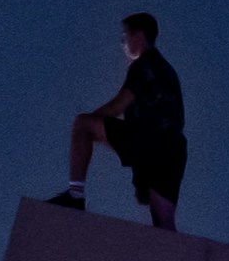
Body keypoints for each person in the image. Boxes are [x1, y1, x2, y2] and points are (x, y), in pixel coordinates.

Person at [55, 13, 185, 225]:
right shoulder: (168, 71)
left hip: (150, 139)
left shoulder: (144, 64)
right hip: (174, 150)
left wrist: (91, 123)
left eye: (125, 37)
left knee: (82, 124)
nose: (124, 44)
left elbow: (118, 105)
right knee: (164, 221)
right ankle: (173, 256)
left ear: (138, 36)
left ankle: (75, 196)